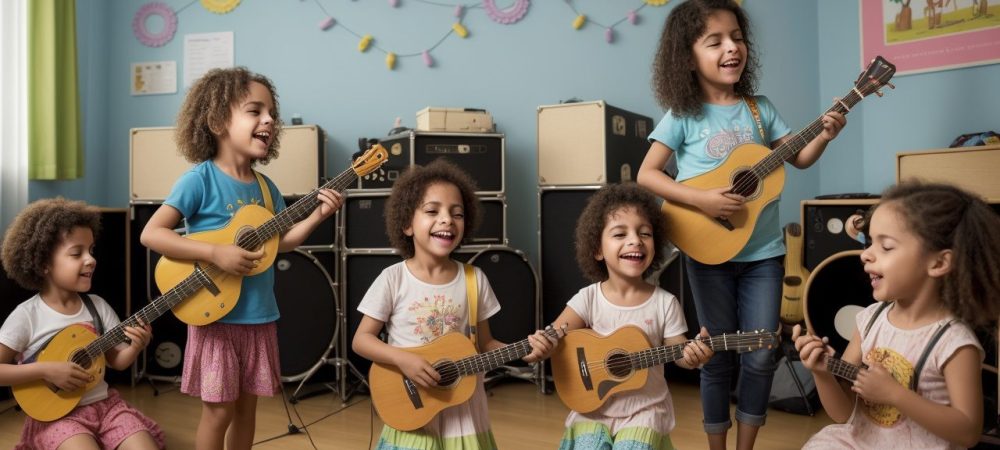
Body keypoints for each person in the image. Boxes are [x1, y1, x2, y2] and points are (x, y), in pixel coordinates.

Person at [635, 1, 847, 448]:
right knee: (715, 357)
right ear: (687, 56)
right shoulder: (684, 114)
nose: (732, 48)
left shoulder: (759, 110)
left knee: (762, 354)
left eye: (737, 37)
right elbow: (647, 174)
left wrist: (826, 133)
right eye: (715, 42)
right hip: (708, 255)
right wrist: (702, 199)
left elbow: (800, 157)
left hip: (763, 255)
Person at [139, 67, 342, 450]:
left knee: (248, 412)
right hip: (215, 317)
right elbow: (152, 234)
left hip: (259, 317)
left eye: (271, 114)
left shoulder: (267, 188)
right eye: (255, 111)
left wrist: (318, 214)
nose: (269, 120)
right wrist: (215, 251)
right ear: (217, 121)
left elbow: (278, 244)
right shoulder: (199, 180)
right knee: (219, 413)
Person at [352, 159, 557, 449]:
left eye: (457, 213)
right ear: (407, 224)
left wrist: (525, 352)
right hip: (412, 406)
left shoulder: (474, 279)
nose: (447, 219)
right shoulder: (393, 279)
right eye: (432, 211)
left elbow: (485, 345)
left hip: (463, 411)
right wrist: (403, 359)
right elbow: (362, 340)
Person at [794, 181, 1000, 449]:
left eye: (886, 247)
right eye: (869, 243)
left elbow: (968, 431)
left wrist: (896, 395)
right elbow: (844, 414)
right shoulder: (869, 320)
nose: (866, 255)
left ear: (938, 263)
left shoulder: (954, 343)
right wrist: (822, 374)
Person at [550, 183, 714, 450]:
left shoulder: (664, 303)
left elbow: (678, 350)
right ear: (597, 249)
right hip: (593, 405)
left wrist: (693, 356)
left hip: (645, 409)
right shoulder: (588, 298)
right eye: (619, 234)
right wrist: (545, 342)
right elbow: (555, 335)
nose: (635, 240)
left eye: (645, 233)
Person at [0, 198, 165, 450]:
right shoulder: (26, 316)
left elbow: (116, 361)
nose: (90, 260)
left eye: (91, 250)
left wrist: (134, 346)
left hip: (106, 407)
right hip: (57, 416)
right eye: (77, 253)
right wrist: (46, 370)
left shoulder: (97, 307)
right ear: (43, 263)